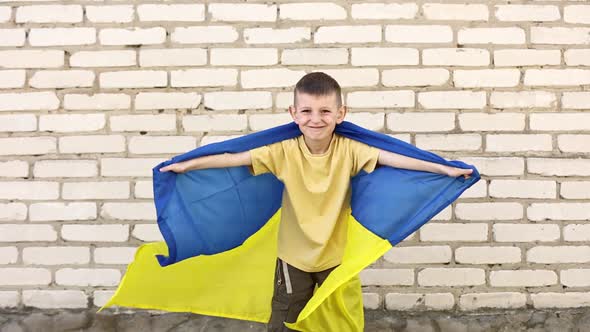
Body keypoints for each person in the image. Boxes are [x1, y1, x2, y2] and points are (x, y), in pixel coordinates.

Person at [159, 72, 472, 331]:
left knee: (338, 323)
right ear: (294, 114)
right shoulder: (283, 151)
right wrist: (188, 165)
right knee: (285, 319)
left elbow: (397, 159)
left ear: (340, 114)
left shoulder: (350, 149)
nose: (316, 119)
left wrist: (442, 168)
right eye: (307, 111)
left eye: (325, 111)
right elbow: (233, 158)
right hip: (293, 257)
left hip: (336, 257)